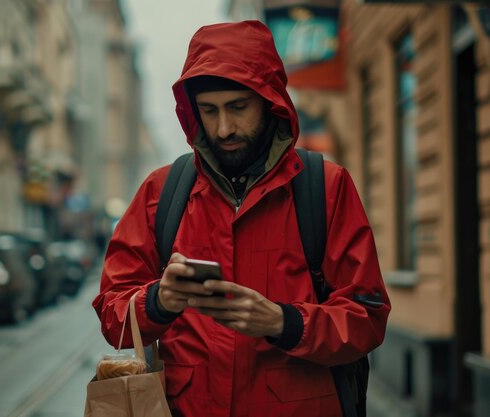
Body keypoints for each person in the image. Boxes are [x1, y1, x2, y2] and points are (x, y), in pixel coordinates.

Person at [92, 20, 390, 417]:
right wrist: (159, 301)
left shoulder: (325, 187)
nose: (224, 127)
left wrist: (285, 322)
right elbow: (113, 315)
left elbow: (367, 316)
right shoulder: (161, 192)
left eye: (237, 107)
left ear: (270, 101)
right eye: (209, 111)